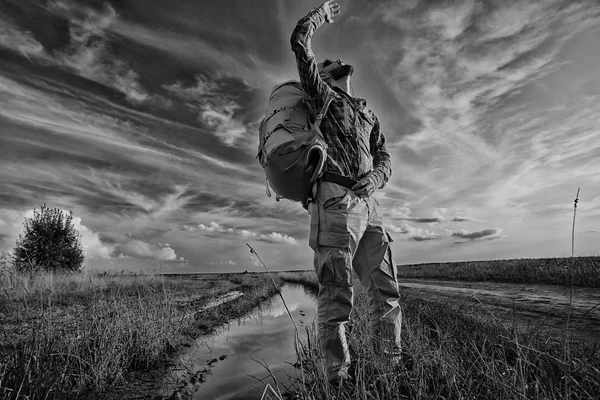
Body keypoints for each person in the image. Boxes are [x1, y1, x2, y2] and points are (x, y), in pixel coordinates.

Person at [290, 0, 403, 387]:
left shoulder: (367, 112)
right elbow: (299, 41)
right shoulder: (322, 96)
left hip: (371, 205)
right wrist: (321, 13)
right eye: (328, 61)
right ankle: (337, 380)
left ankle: (390, 371)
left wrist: (376, 178)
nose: (336, 60)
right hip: (335, 199)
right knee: (337, 295)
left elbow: (385, 154)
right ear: (322, 73)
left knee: (386, 291)